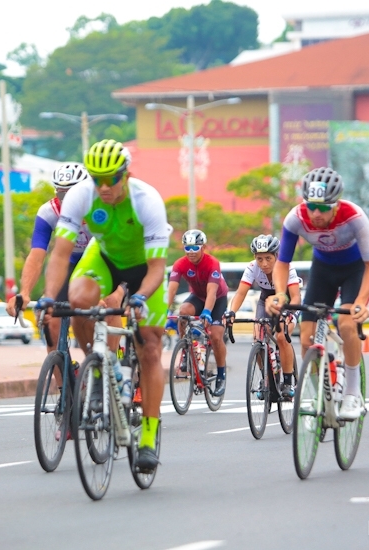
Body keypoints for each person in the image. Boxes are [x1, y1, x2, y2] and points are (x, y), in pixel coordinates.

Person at [37, 139, 169, 473]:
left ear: (126, 174)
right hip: (106, 259)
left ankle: (150, 437)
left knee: (150, 347)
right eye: (97, 179)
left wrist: (136, 296)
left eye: (111, 178)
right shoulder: (82, 195)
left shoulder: (147, 201)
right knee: (78, 300)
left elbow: (155, 269)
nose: (104, 186)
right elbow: (61, 253)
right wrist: (50, 297)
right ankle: (99, 367)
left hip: (143, 268)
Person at [268, 167, 369, 421]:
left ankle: (352, 394)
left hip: (355, 270)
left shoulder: (354, 217)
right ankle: (321, 392)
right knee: (306, 339)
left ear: (337, 205)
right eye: (312, 207)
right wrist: (280, 294)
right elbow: (282, 263)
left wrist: (362, 302)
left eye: (324, 208)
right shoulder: (295, 218)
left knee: (347, 325)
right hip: (323, 270)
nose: (317, 214)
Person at [5, 162, 92, 350]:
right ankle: (63, 377)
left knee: (107, 305)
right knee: (50, 321)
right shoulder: (48, 212)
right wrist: (25, 292)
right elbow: (36, 256)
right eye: (62, 193)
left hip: (98, 261)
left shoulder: (100, 209)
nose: (68, 199)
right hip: (68, 263)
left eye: (74, 193)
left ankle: (110, 362)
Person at [226, 234, 302, 397]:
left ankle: (288, 381)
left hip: (288, 302)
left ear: (276, 256)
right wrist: (231, 312)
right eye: (259, 259)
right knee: (258, 338)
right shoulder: (252, 267)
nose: (264, 263)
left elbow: (296, 296)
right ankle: (265, 379)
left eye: (268, 258)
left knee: (281, 336)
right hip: (265, 300)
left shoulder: (287, 267)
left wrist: (289, 313)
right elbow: (240, 294)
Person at [165, 229, 229, 396]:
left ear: (203, 247)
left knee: (215, 336)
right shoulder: (180, 264)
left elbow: (212, 292)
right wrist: (164, 310)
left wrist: (207, 311)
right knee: (183, 311)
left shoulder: (212, 263)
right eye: (187, 248)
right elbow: (171, 290)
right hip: (197, 297)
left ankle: (221, 375)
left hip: (217, 299)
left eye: (195, 248)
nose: (191, 252)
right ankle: (186, 348)